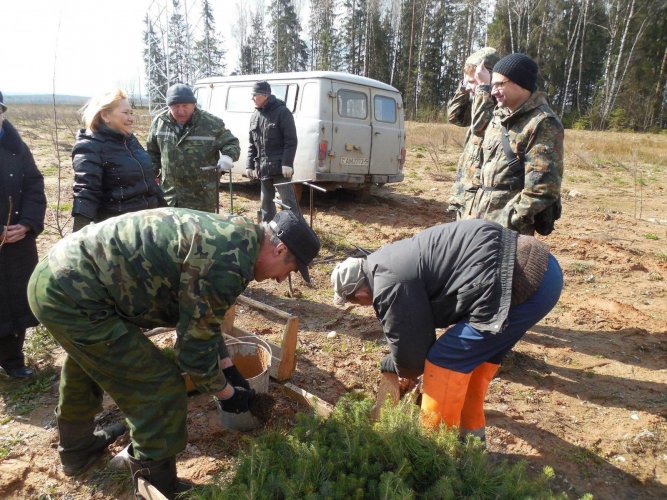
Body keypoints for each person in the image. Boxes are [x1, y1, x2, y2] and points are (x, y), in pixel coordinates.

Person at [28, 208, 320, 498]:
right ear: (280, 250)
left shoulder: (240, 238)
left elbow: (202, 318)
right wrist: (227, 394)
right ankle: (157, 485)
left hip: (60, 274)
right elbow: (191, 350)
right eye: (291, 271)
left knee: (89, 362)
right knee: (160, 387)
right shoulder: (228, 263)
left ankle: (77, 450)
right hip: (71, 293)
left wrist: (228, 367)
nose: (283, 280)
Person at [331, 219, 563, 441]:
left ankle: (434, 452)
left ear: (359, 295)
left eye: (355, 303)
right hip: (542, 270)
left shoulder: (388, 284)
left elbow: (412, 356)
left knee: (444, 360)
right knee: (474, 361)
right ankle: (471, 443)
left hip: (522, 281)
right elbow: (417, 325)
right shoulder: (385, 260)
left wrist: (395, 364)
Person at [463, 53, 564, 236]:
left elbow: (542, 188)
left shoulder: (542, 122)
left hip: (507, 230)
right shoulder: (498, 116)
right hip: (478, 221)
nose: (493, 91)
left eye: (500, 84)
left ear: (521, 83)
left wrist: (513, 220)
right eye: (492, 85)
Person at [71, 88, 166, 232]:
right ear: (105, 115)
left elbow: (149, 183)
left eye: (131, 113)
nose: (131, 118)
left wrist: (166, 211)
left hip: (150, 224)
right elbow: (86, 192)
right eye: (125, 113)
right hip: (120, 231)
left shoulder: (130, 141)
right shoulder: (90, 146)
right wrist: (77, 236)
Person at [0, 91, 47, 379]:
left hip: (18, 239)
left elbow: (34, 184)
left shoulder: (16, 147)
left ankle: (13, 360)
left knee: (17, 299)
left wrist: (28, 224)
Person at [147, 83, 241, 213]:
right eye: (175, 107)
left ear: (194, 104)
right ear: (169, 106)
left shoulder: (211, 123)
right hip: (170, 196)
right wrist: (151, 174)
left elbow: (231, 143)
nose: (180, 111)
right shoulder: (159, 122)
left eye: (185, 106)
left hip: (201, 197)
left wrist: (227, 156)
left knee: (200, 233)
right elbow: (152, 152)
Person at [447, 47, 499, 219]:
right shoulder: (478, 103)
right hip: (466, 195)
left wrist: (483, 88)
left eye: (472, 81)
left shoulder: (496, 107)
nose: (469, 87)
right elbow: (455, 117)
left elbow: (480, 127)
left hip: (481, 201)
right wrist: (464, 87)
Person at [246, 81, 301, 222]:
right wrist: (249, 165)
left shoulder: (282, 112)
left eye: (254, 95)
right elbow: (252, 144)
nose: (252, 98)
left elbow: (291, 140)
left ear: (265, 95)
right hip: (263, 169)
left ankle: (296, 232)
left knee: (288, 203)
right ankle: (268, 234)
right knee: (265, 205)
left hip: (280, 170)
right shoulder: (255, 116)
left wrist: (287, 163)